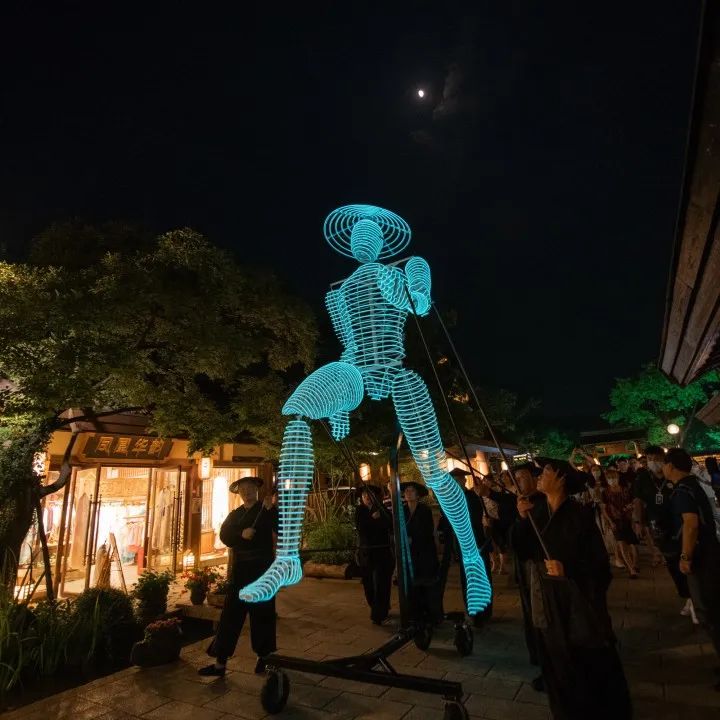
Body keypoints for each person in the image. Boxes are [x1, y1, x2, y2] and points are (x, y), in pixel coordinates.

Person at [513, 458, 632, 719]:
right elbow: (523, 551)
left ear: (561, 479)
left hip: (577, 606)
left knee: (587, 665)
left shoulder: (579, 516)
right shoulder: (538, 512)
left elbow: (600, 569)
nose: (540, 476)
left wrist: (569, 570)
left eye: (546, 472)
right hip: (549, 604)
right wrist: (522, 519)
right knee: (558, 665)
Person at [200, 476, 277, 677]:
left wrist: (271, 510)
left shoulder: (266, 510)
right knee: (230, 615)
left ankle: (264, 658)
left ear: (256, 490)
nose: (247, 492)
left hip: (262, 571)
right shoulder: (235, 515)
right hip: (241, 571)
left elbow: (281, 528)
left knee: (263, 614)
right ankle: (220, 663)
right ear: (239, 493)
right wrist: (241, 533)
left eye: (250, 488)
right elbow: (225, 535)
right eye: (243, 489)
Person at [664, 448, 720, 688]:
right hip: (712, 551)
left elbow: (690, 524)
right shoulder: (695, 484)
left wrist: (685, 556)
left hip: (701, 558)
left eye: (663, 464)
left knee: (710, 612)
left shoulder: (682, 491)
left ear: (670, 466)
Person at [438, 467, 493, 628]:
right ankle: (471, 612)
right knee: (466, 580)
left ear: (463, 481)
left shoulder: (472, 497)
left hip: (476, 543)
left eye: (458, 481)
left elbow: (474, 519)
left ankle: (483, 613)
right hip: (461, 546)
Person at [508, 461, 544, 690]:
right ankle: (539, 656)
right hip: (525, 568)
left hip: (539, 568)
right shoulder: (521, 502)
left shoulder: (541, 502)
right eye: (516, 478)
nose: (518, 482)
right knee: (531, 613)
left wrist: (523, 518)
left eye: (522, 477)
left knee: (541, 615)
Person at [402, 481, 442, 625]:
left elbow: (427, 530)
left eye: (412, 491)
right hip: (409, 553)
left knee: (426, 584)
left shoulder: (424, 510)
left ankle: (431, 614)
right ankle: (414, 613)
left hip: (424, 552)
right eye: (406, 491)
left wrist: (413, 538)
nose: (409, 493)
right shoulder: (402, 510)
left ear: (417, 495)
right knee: (412, 585)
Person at [355, 484, 394, 625]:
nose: (366, 497)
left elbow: (390, 524)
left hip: (381, 553)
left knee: (381, 584)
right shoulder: (360, 511)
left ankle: (379, 614)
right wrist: (373, 519)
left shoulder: (381, 509)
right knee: (369, 585)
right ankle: (376, 608)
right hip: (366, 554)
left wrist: (378, 519)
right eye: (364, 495)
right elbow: (361, 528)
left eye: (369, 494)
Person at [631, 445, 671, 568]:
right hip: (653, 518)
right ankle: (658, 556)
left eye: (656, 459)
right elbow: (638, 500)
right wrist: (638, 522)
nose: (653, 462)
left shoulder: (671, 475)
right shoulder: (642, 478)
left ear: (663, 459)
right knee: (657, 541)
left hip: (673, 515)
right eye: (650, 459)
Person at [601, 468, 639, 578]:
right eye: (609, 478)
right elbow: (604, 509)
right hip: (615, 520)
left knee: (632, 544)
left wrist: (631, 509)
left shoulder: (625, 489)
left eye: (613, 477)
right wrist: (610, 521)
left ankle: (634, 564)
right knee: (622, 543)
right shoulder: (605, 492)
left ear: (618, 478)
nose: (612, 480)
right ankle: (631, 569)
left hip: (628, 519)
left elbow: (633, 501)